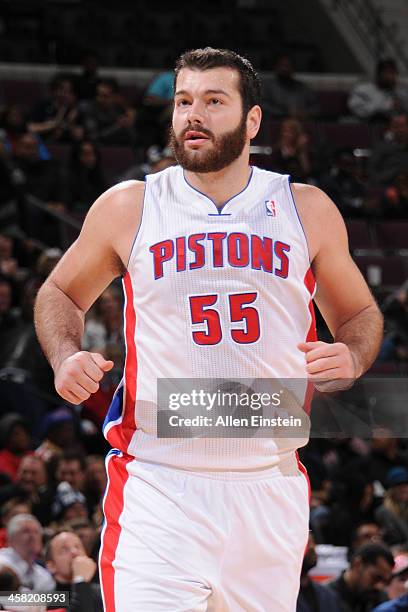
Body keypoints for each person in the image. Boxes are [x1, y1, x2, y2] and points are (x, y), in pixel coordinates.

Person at [34, 47, 383, 611]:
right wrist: (63, 354)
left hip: (269, 483)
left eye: (213, 101)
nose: (193, 114)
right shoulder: (131, 205)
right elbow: (58, 294)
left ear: (252, 121)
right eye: (183, 101)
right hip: (161, 483)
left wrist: (353, 355)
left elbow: (361, 316)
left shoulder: (304, 207)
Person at [45, 530, 103, 611]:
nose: (74, 552)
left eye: (78, 547)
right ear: (51, 566)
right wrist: (80, 580)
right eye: (64, 550)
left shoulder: (102, 592)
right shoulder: (46, 599)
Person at [328, 543, 394, 612]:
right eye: (376, 578)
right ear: (358, 564)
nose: (379, 586)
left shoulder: (380, 599)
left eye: (385, 581)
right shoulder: (326, 598)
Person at [0, 514, 54, 592]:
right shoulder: (2, 561)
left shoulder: (43, 575)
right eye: (26, 531)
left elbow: (55, 600)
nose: (32, 536)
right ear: (10, 540)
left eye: (36, 532)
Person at [296, 532, 342, 611]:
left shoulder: (328, 595)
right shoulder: (283, 593)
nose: (312, 547)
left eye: (313, 542)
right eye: (307, 543)